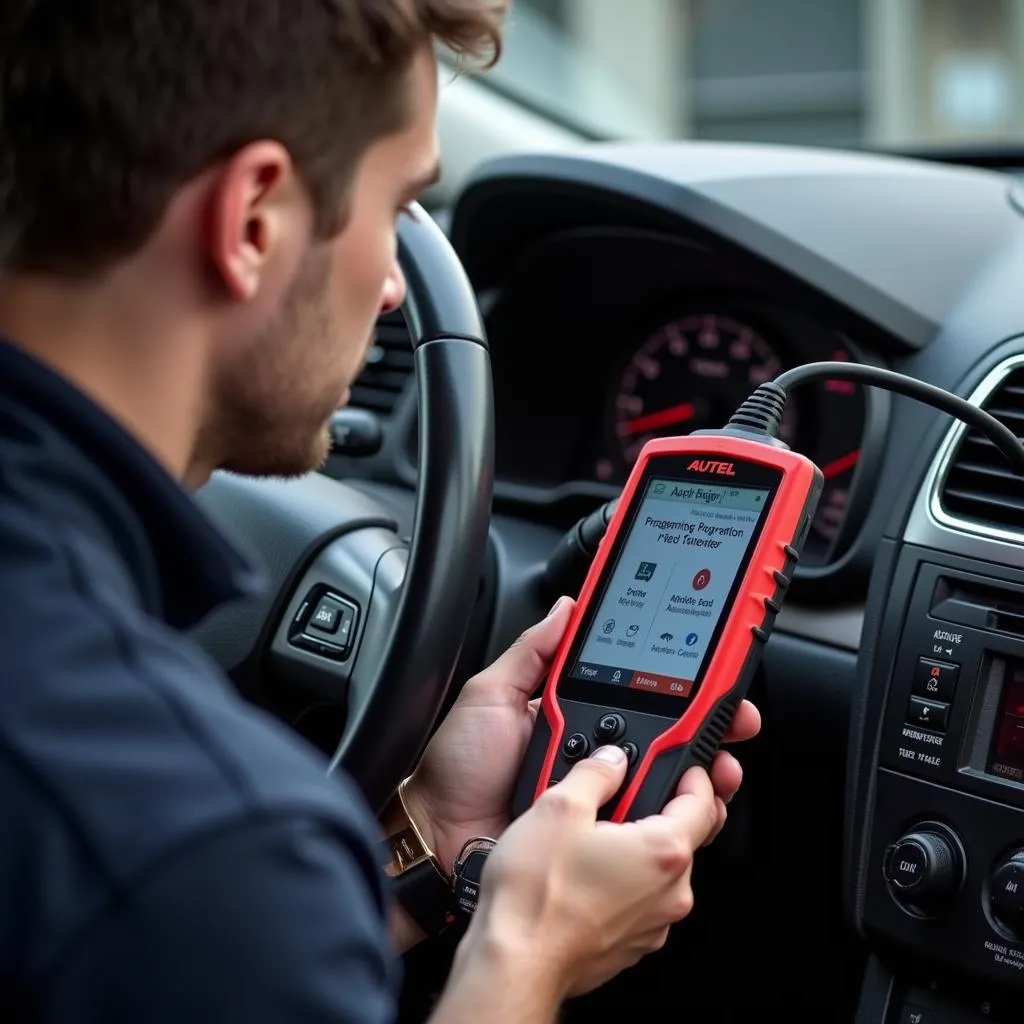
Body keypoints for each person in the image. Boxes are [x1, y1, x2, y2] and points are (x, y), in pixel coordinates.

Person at [0, 1, 761, 1022]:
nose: (399, 289)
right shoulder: (200, 839)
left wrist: (431, 843)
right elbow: (198, 903)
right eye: (396, 207)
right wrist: (525, 957)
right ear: (253, 221)